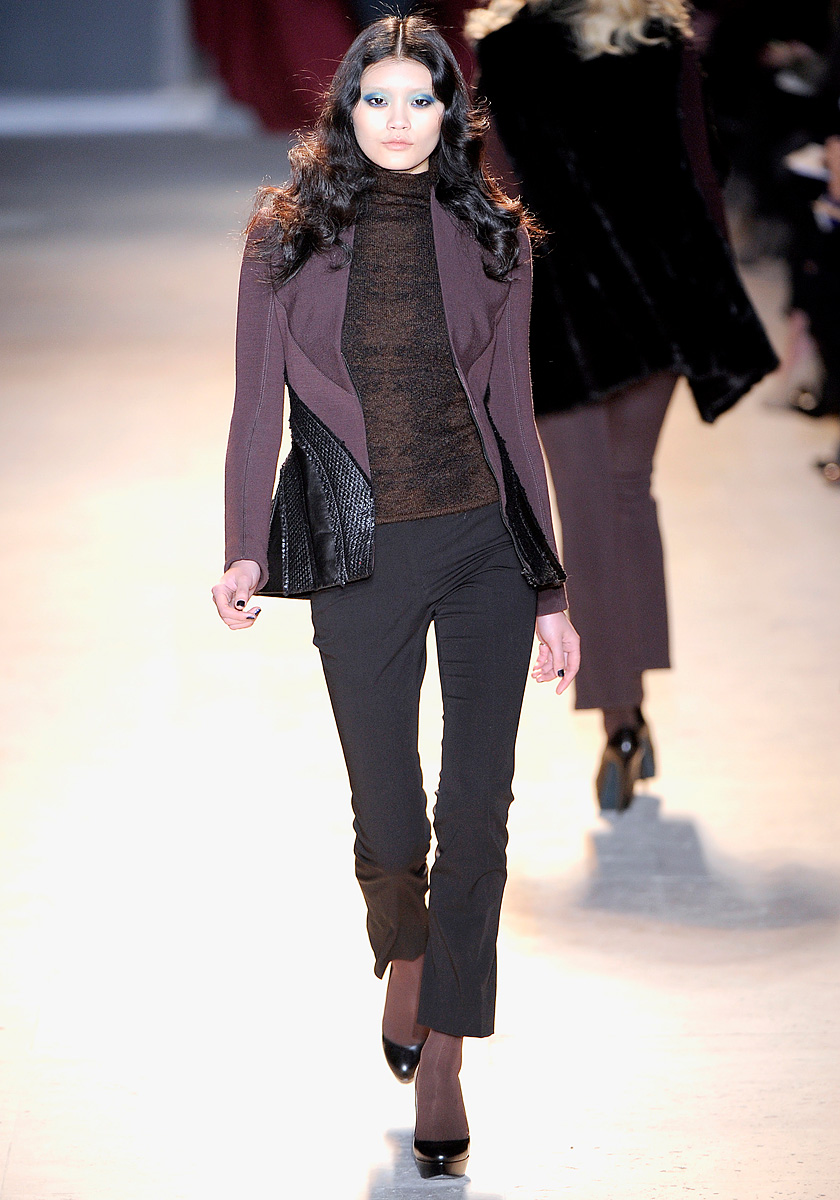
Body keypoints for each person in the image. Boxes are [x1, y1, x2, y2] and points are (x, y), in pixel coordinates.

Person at [211, 15, 580, 1179]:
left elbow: (513, 414)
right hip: (357, 555)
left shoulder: (496, 236)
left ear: (451, 114)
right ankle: (407, 954)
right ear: (347, 108)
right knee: (388, 819)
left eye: (423, 99)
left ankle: (449, 1057)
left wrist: (552, 589)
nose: (400, 120)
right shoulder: (284, 236)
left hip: (483, 553)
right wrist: (243, 549)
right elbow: (255, 408)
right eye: (379, 98)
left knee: (478, 812)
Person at [468, 0, 778, 812]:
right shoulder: (661, 37)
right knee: (627, 492)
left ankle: (621, 718)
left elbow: (499, 191)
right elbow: (700, 173)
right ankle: (629, 710)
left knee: (586, 505)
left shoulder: (508, 45)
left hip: (561, 305)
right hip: (660, 296)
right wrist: (714, 304)